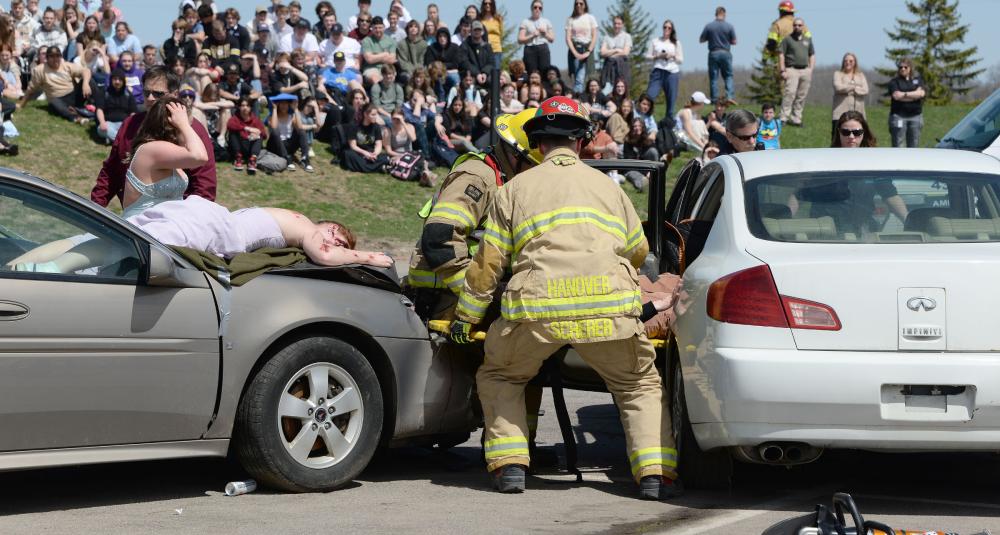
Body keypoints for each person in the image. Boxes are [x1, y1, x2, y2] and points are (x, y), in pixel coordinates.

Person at [450, 96, 679, 500]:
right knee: (639, 385)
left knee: (501, 375)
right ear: (582, 142)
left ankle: (510, 467)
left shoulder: (514, 190)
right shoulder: (608, 188)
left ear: (537, 144)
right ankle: (655, 475)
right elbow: (639, 252)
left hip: (536, 313)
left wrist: (465, 320)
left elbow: (488, 266)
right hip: (610, 313)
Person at [408, 108, 551, 463]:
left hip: (472, 291)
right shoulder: (478, 177)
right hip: (444, 295)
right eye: (533, 165)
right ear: (517, 156)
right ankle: (510, 448)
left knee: (533, 349)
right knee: (521, 349)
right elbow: (440, 239)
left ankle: (520, 444)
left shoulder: (505, 181)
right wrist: (478, 297)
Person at [10, 196, 393, 273]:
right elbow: (325, 256)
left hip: (201, 217)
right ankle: (42, 273)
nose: (336, 244)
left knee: (99, 241)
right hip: (208, 226)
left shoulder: (298, 220)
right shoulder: (308, 227)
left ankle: (18, 267)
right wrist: (372, 257)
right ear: (328, 225)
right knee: (117, 247)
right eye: (339, 236)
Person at [91, 65, 216, 208]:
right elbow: (111, 171)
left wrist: (186, 223)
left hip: (177, 220)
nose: (150, 98)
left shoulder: (192, 130)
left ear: (174, 94)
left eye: (158, 94)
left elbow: (204, 186)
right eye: (146, 93)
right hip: (134, 219)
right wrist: (95, 208)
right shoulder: (131, 124)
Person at [18, 46, 92, 124]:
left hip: (73, 95)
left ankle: (100, 109)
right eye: (52, 56)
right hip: (58, 99)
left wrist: (85, 84)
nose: (55, 59)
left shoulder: (66, 65)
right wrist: (21, 104)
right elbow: (31, 89)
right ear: (47, 58)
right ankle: (76, 117)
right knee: (53, 102)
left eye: (57, 56)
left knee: (90, 81)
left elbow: (86, 71)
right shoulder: (40, 70)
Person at [777, 18, 814, 127]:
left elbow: (812, 54)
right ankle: (783, 118)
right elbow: (781, 54)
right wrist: (782, 69)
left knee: (801, 95)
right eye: (795, 25)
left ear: (803, 26)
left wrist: (811, 69)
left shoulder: (808, 40)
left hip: (805, 70)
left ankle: (796, 119)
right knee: (790, 93)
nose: (797, 27)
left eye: (799, 25)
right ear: (793, 26)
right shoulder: (787, 39)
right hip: (791, 69)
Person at [267, 92, 312, 172]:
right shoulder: (272, 116)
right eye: (281, 104)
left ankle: (305, 158)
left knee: (301, 131)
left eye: (286, 103)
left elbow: (300, 127)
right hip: (275, 145)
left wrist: (295, 109)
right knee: (275, 132)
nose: (284, 106)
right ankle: (286, 158)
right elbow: (274, 127)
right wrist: (274, 109)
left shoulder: (291, 116)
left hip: (288, 145)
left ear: (289, 105)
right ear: (278, 105)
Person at [699, 6, 736, 102]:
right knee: (728, 76)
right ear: (724, 14)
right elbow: (734, 41)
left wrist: (711, 38)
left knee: (714, 78)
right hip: (725, 53)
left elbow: (701, 40)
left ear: (715, 14)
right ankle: (729, 97)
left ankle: (715, 99)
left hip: (713, 53)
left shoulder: (709, 26)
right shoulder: (729, 26)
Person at [887, 58, 925, 148]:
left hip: (915, 117)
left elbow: (921, 94)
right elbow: (896, 96)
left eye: (905, 67)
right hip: (898, 116)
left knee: (914, 145)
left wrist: (904, 94)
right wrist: (914, 95)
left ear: (910, 68)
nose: (903, 69)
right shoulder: (894, 82)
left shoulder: (917, 79)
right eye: (900, 67)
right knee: (898, 144)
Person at [831, 52, 868, 141]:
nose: (848, 62)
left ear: (855, 62)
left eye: (851, 61)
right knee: (838, 140)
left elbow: (865, 90)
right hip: (839, 114)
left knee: (858, 139)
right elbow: (838, 87)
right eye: (846, 61)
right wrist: (854, 86)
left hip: (858, 113)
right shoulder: (838, 74)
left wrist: (848, 88)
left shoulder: (860, 75)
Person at [342, 102, 389, 173]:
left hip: (371, 152)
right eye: (373, 115)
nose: (375, 116)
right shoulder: (354, 126)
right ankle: (378, 167)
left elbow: (378, 144)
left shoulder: (376, 126)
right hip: (358, 152)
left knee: (385, 157)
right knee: (349, 154)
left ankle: (367, 166)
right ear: (365, 114)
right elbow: (353, 146)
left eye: (376, 114)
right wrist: (365, 153)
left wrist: (375, 154)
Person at [564, 0, 597, 95]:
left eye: (581, 3)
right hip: (575, 50)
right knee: (578, 78)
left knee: (586, 78)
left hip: (587, 49)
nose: (578, 5)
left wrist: (588, 51)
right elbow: (568, 38)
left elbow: (594, 36)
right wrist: (575, 53)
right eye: (576, 3)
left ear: (585, 5)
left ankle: (579, 97)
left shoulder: (590, 18)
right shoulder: (570, 19)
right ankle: (578, 98)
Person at [226, 95, 265, 174]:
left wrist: (256, 133)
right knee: (232, 132)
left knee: (259, 135)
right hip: (239, 146)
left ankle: (252, 160)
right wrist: (246, 128)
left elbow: (264, 134)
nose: (245, 108)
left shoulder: (255, 119)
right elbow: (229, 125)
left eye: (247, 106)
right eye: (243, 106)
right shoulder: (235, 118)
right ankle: (238, 158)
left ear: (250, 108)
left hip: (250, 146)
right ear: (239, 107)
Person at [95, 69, 135, 144]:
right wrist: (102, 122)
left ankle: (112, 139)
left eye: (120, 80)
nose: (117, 82)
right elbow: (99, 109)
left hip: (123, 124)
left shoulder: (128, 94)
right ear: (111, 80)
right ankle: (124, 142)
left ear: (123, 81)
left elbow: (133, 112)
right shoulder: (104, 92)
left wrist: (131, 125)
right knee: (100, 129)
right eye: (115, 79)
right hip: (108, 124)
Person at [518, 1, 553, 77]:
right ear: (531, 8)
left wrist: (545, 33)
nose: (537, 9)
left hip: (543, 48)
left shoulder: (546, 21)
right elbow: (520, 39)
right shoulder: (525, 21)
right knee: (531, 73)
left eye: (540, 8)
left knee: (545, 73)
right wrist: (532, 35)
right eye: (535, 7)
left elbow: (552, 39)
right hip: (530, 49)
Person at [360, 16, 396, 85]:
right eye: (375, 28)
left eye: (380, 28)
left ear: (384, 27)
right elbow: (369, 59)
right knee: (375, 78)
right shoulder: (366, 41)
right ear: (372, 29)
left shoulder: (391, 41)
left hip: (387, 68)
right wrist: (384, 54)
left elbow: (392, 59)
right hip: (371, 68)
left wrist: (375, 57)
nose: (378, 30)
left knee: (390, 77)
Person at [599, 15, 631, 89]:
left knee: (621, 89)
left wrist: (609, 53)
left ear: (623, 25)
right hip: (608, 68)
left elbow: (625, 52)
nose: (616, 26)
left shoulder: (627, 36)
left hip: (622, 67)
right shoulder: (607, 37)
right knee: (607, 90)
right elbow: (602, 53)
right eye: (615, 23)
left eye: (619, 24)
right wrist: (616, 50)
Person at [461, 20, 493, 87]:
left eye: (479, 30)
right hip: (470, 74)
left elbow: (491, 63)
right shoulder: (464, 45)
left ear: (483, 32)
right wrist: (477, 74)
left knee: (495, 80)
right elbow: (464, 62)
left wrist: (485, 73)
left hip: (485, 75)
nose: (477, 32)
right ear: (471, 31)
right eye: (475, 30)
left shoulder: (487, 46)